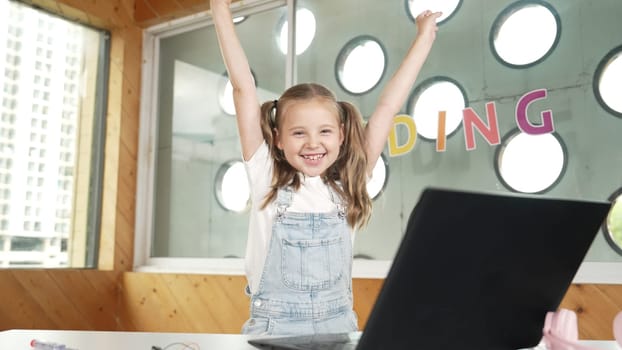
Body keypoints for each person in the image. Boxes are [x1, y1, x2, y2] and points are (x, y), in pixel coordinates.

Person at [211, 0, 441, 336]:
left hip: (338, 328)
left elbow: (389, 105)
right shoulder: (266, 176)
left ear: (342, 134)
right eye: (298, 132)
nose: (312, 143)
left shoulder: (347, 185)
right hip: (275, 330)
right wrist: (219, 9)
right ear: (277, 139)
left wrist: (424, 38)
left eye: (324, 132)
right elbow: (243, 88)